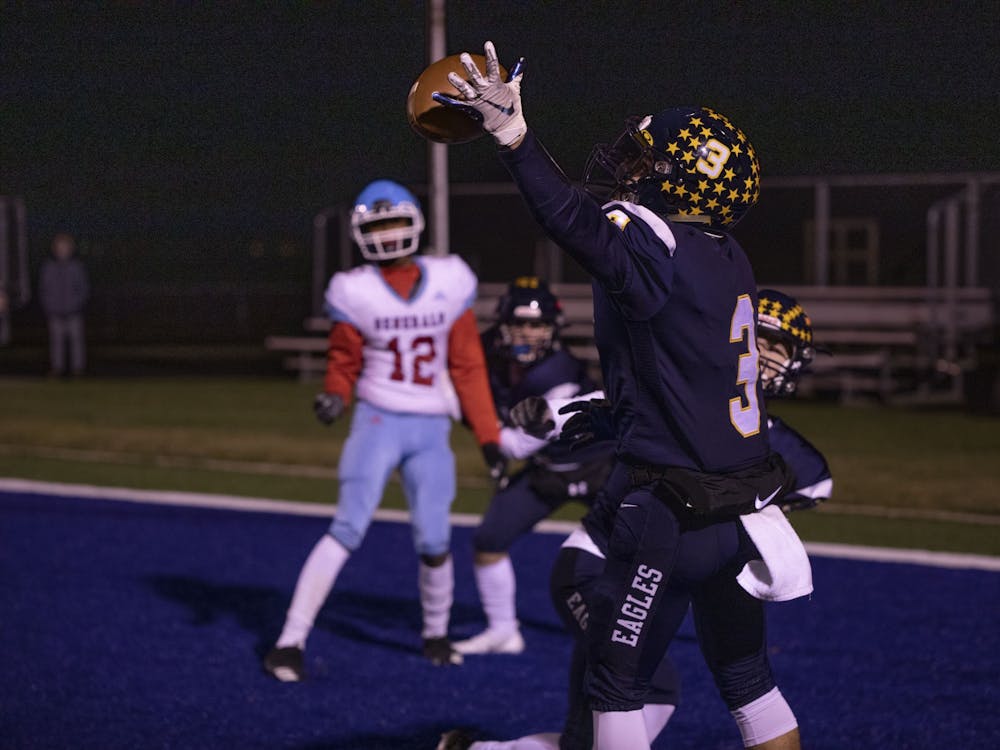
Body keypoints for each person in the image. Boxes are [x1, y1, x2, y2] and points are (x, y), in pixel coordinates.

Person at [434, 42, 802, 749]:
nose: (631, 170)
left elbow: (572, 223)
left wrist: (513, 137)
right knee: (751, 683)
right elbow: (685, 373)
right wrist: (611, 412)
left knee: (615, 685)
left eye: (647, 162)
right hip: (742, 510)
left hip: (671, 509)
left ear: (678, 182)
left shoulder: (649, 239)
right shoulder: (728, 256)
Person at [437, 288, 832, 750]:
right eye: (755, 340)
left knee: (656, 701)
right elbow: (605, 400)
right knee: (625, 701)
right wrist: (547, 415)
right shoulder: (677, 398)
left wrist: (763, 484)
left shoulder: (763, 432)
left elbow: (817, 483)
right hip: (599, 568)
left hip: (666, 574)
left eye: (773, 347)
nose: (760, 355)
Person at [263, 179, 503, 680]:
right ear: (362, 233)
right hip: (378, 417)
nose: (390, 234)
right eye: (378, 225)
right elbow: (344, 358)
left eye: (395, 222)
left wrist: (488, 437)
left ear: (414, 221)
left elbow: (467, 366)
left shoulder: (448, 278)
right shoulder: (355, 290)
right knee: (348, 526)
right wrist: (335, 392)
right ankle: (290, 639)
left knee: (436, 538)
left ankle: (435, 633)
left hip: (431, 426)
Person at [454, 276, 615, 656]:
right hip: (548, 472)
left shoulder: (558, 373)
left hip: (598, 467)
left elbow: (516, 445)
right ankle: (503, 630)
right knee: (489, 539)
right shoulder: (495, 363)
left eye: (537, 324)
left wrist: (483, 427)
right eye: (520, 323)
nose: (528, 332)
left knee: (647, 546)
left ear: (552, 329)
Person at [39, 232, 89, 377]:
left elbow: (83, 289)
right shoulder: (48, 267)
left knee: (76, 342)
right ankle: (57, 369)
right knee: (56, 343)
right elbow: (43, 289)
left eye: (65, 247)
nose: (62, 250)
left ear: (70, 249)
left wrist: (77, 304)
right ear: (55, 249)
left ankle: (78, 369)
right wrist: (49, 305)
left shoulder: (76, 267)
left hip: (74, 311)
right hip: (54, 311)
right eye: (60, 247)